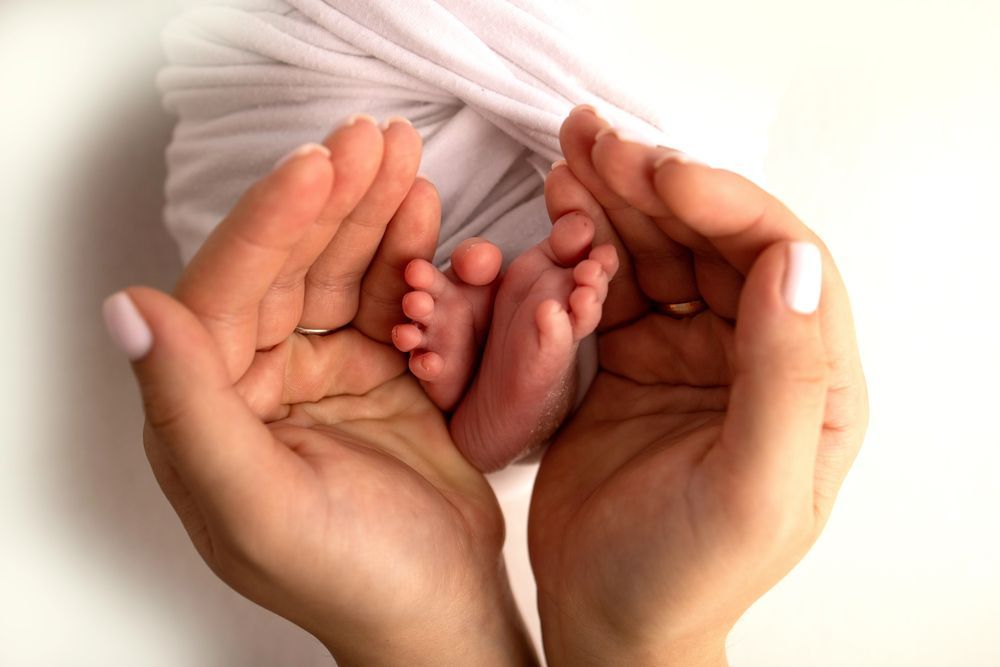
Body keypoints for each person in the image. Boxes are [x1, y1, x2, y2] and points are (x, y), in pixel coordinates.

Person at [102, 105, 868, 665]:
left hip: (326, 324)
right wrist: (642, 642)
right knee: (649, 181)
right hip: (633, 324)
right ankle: (521, 362)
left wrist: (430, 633)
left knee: (308, 171)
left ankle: (501, 351)